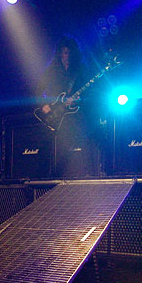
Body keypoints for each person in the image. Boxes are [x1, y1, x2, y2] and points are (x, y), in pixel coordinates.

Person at [36, 35, 101, 178]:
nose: (67, 56)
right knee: (54, 147)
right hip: (54, 114)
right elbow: (38, 90)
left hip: (75, 115)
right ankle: (51, 175)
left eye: (70, 53)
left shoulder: (81, 70)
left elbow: (91, 93)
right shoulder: (51, 70)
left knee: (84, 141)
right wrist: (44, 105)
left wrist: (79, 100)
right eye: (65, 53)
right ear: (59, 53)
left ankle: (87, 173)